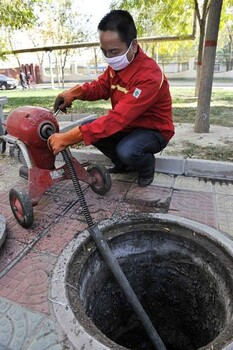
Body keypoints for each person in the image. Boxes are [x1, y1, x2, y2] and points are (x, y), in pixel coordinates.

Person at [49, 10, 175, 187]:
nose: (109, 58)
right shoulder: (116, 67)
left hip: (154, 130)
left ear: (133, 45)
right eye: (104, 52)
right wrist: (74, 93)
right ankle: (124, 164)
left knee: (128, 149)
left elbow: (118, 118)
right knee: (91, 129)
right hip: (128, 127)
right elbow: (100, 87)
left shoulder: (149, 76)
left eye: (114, 51)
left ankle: (146, 167)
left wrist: (66, 138)